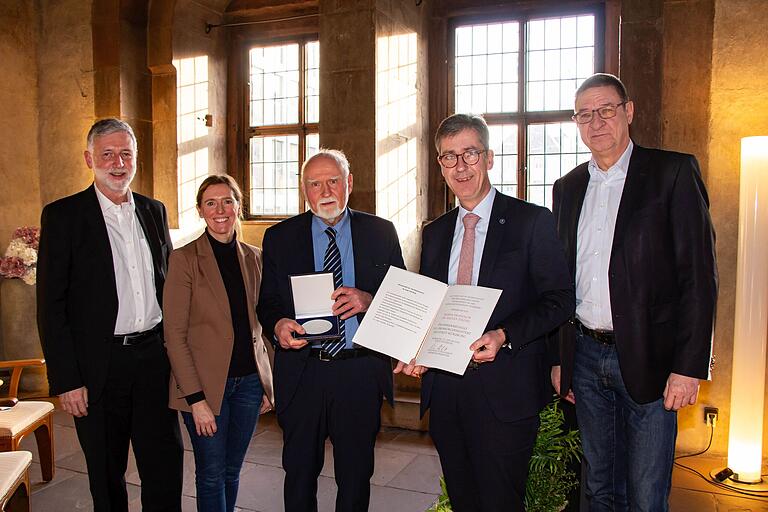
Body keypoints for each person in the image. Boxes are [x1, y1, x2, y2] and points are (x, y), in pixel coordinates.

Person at [551, 73, 718, 511]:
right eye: (585, 114)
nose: (596, 122)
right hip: (585, 356)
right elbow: (560, 284)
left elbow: (698, 279)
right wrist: (560, 360)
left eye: (606, 109)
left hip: (651, 357)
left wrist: (688, 367)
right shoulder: (567, 188)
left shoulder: (672, 173)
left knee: (646, 494)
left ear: (629, 111)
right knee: (598, 488)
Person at [398, 114, 575, 511]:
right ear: (440, 166)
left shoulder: (531, 221)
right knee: (463, 499)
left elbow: (560, 298)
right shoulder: (436, 231)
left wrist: (504, 334)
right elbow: (432, 306)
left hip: (505, 389)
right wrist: (415, 346)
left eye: (470, 154)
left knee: (500, 502)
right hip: (446, 392)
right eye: (448, 157)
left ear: (489, 158)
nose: (460, 166)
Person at [36, 118, 183, 511]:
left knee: (165, 467)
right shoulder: (63, 216)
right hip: (98, 368)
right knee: (106, 474)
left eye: (126, 154)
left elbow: (166, 286)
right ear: (89, 159)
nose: (118, 163)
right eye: (107, 154)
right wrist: (67, 380)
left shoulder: (154, 210)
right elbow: (51, 307)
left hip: (153, 360)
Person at [257, 149, 405, 512]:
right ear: (304, 190)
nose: (325, 190)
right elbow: (267, 303)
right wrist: (278, 324)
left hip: (360, 371)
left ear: (349, 183)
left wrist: (369, 300)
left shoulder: (380, 231)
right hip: (303, 371)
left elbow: (403, 299)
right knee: (300, 474)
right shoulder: (279, 237)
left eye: (333, 181)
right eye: (315, 183)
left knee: (355, 477)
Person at [163, 174, 275, 512]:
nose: (220, 209)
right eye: (210, 203)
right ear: (200, 210)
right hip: (205, 389)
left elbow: (264, 323)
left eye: (227, 201)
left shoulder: (254, 257)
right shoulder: (184, 260)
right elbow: (175, 335)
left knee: (231, 469)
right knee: (210, 474)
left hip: (249, 385)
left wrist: (267, 382)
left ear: (238, 206)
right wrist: (195, 399)